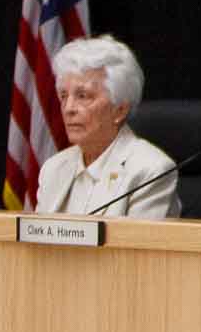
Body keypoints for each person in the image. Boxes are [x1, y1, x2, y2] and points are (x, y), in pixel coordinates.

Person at [34, 34, 181, 218]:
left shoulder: (150, 171)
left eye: (83, 96)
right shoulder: (54, 168)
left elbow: (134, 246)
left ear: (119, 110)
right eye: (64, 95)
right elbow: (34, 242)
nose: (68, 108)